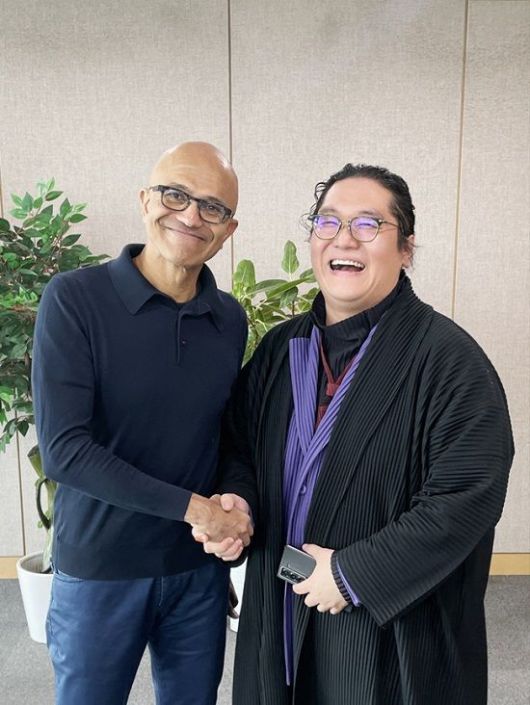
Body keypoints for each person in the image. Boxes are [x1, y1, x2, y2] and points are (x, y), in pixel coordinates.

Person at [198, 164, 514, 705]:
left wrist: (351, 574)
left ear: (406, 249)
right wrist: (240, 503)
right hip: (280, 604)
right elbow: (237, 446)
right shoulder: (280, 349)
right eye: (328, 222)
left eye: (368, 224)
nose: (343, 238)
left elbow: (466, 497)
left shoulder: (449, 361)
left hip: (389, 630)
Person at [32, 141, 253, 705]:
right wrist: (196, 508)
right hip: (101, 569)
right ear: (145, 200)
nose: (191, 216)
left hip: (195, 571)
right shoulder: (75, 299)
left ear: (228, 230)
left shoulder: (229, 319)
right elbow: (65, 451)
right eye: (175, 194)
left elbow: (227, 435)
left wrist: (236, 503)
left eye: (212, 207)